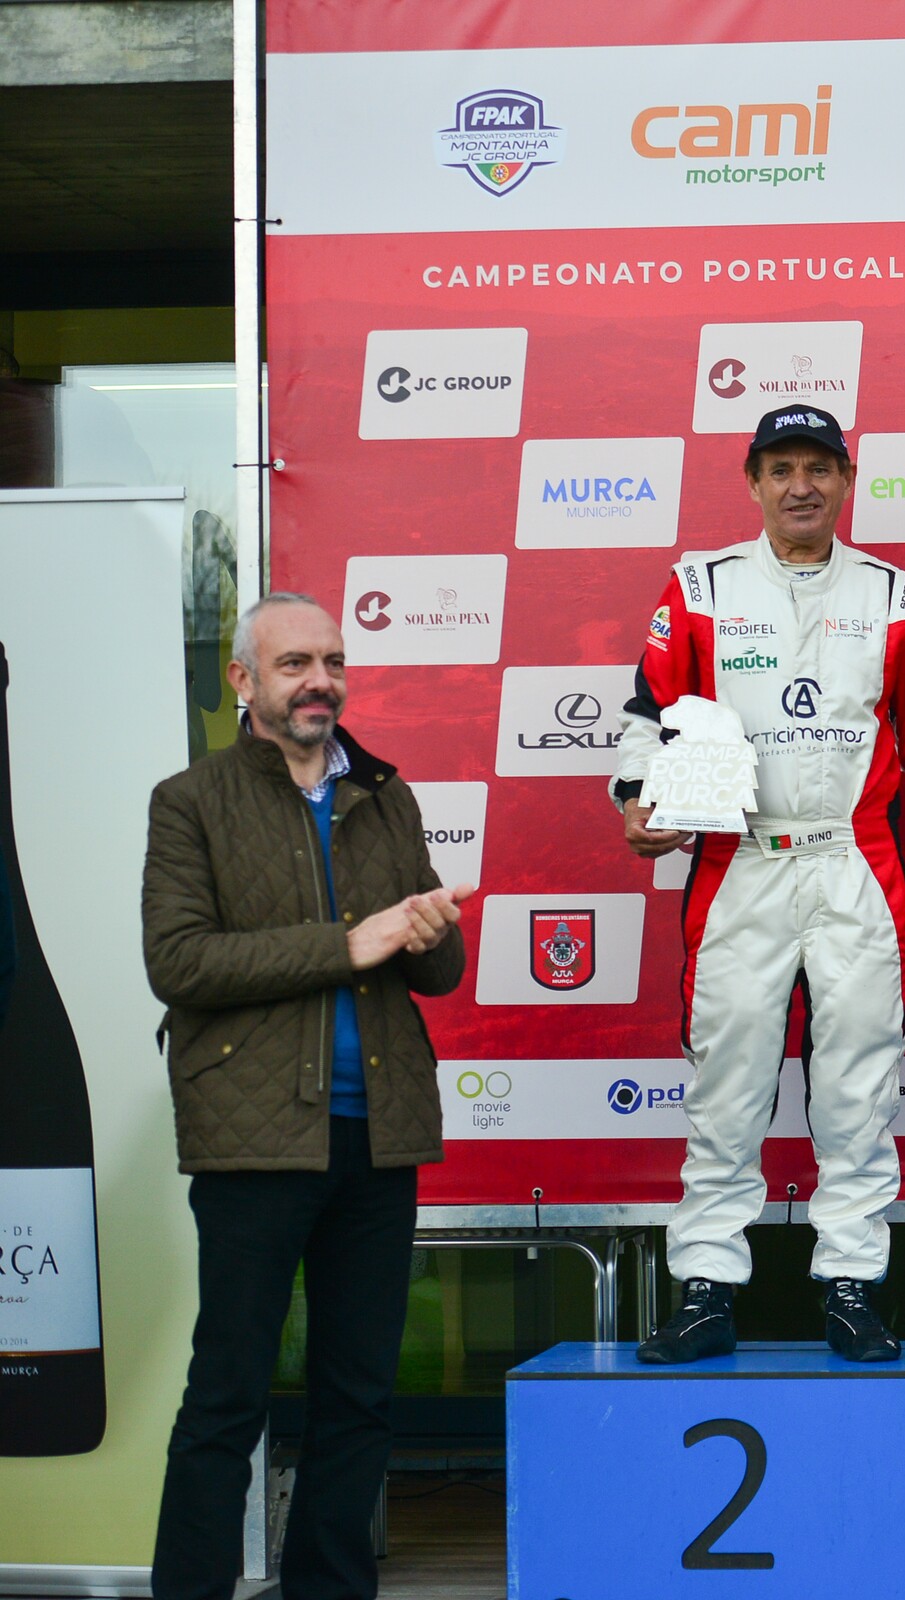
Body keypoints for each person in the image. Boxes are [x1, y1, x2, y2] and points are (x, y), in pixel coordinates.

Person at [618, 404, 905, 1364]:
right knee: (727, 1085)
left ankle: (852, 1287)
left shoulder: (893, 594)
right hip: (737, 859)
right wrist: (637, 797)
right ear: (753, 482)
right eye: (782, 469)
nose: (801, 486)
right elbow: (648, 714)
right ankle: (705, 1291)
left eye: (819, 468)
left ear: (846, 480)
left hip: (853, 860)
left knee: (857, 1090)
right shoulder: (700, 586)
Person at [143, 594, 474, 1600]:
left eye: (332, 660)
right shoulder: (190, 800)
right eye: (294, 664)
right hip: (254, 1139)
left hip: (379, 1133)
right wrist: (350, 942)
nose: (319, 681)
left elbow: (436, 975)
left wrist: (432, 931)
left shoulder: (385, 792)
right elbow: (179, 962)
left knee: (358, 1395)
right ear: (243, 680)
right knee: (228, 1394)